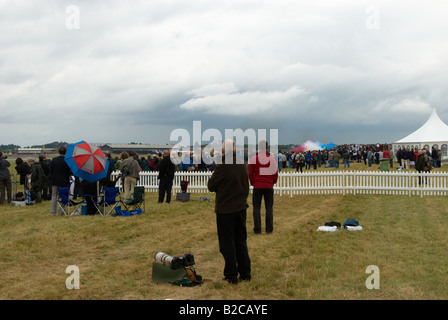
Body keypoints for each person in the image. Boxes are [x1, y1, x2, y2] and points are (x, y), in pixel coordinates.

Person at [207, 139, 251, 285]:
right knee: (241, 242)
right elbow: (245, 183)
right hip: (240, 207)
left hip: (226, 209)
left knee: (227, 244)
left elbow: (211, 185)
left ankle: (231, 274)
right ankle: (245, 273)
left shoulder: (222, 166)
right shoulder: (241, 163)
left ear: (224, 151)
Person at [248, 140, 278, 235]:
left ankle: (257, 229)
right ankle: (269, 229)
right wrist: (273, 181)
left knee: (256, 208)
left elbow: (250, 173)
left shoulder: (254, 159)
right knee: (269, 208)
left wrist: (253, 182)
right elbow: (275, 173)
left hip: (257, 185)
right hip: (268, 185)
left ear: (258, 148)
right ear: (267, 148)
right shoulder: (272, 159)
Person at [49, 146, 72, 215]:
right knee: (64, 196)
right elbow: (70, 172)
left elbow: (51, 170)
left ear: (59, 152)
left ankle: (53, 211)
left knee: (54, 196)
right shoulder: (67, 160)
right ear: (65, 152)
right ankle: (61, 211)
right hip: (64, 181)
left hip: (55, 180)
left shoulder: (54, 160)